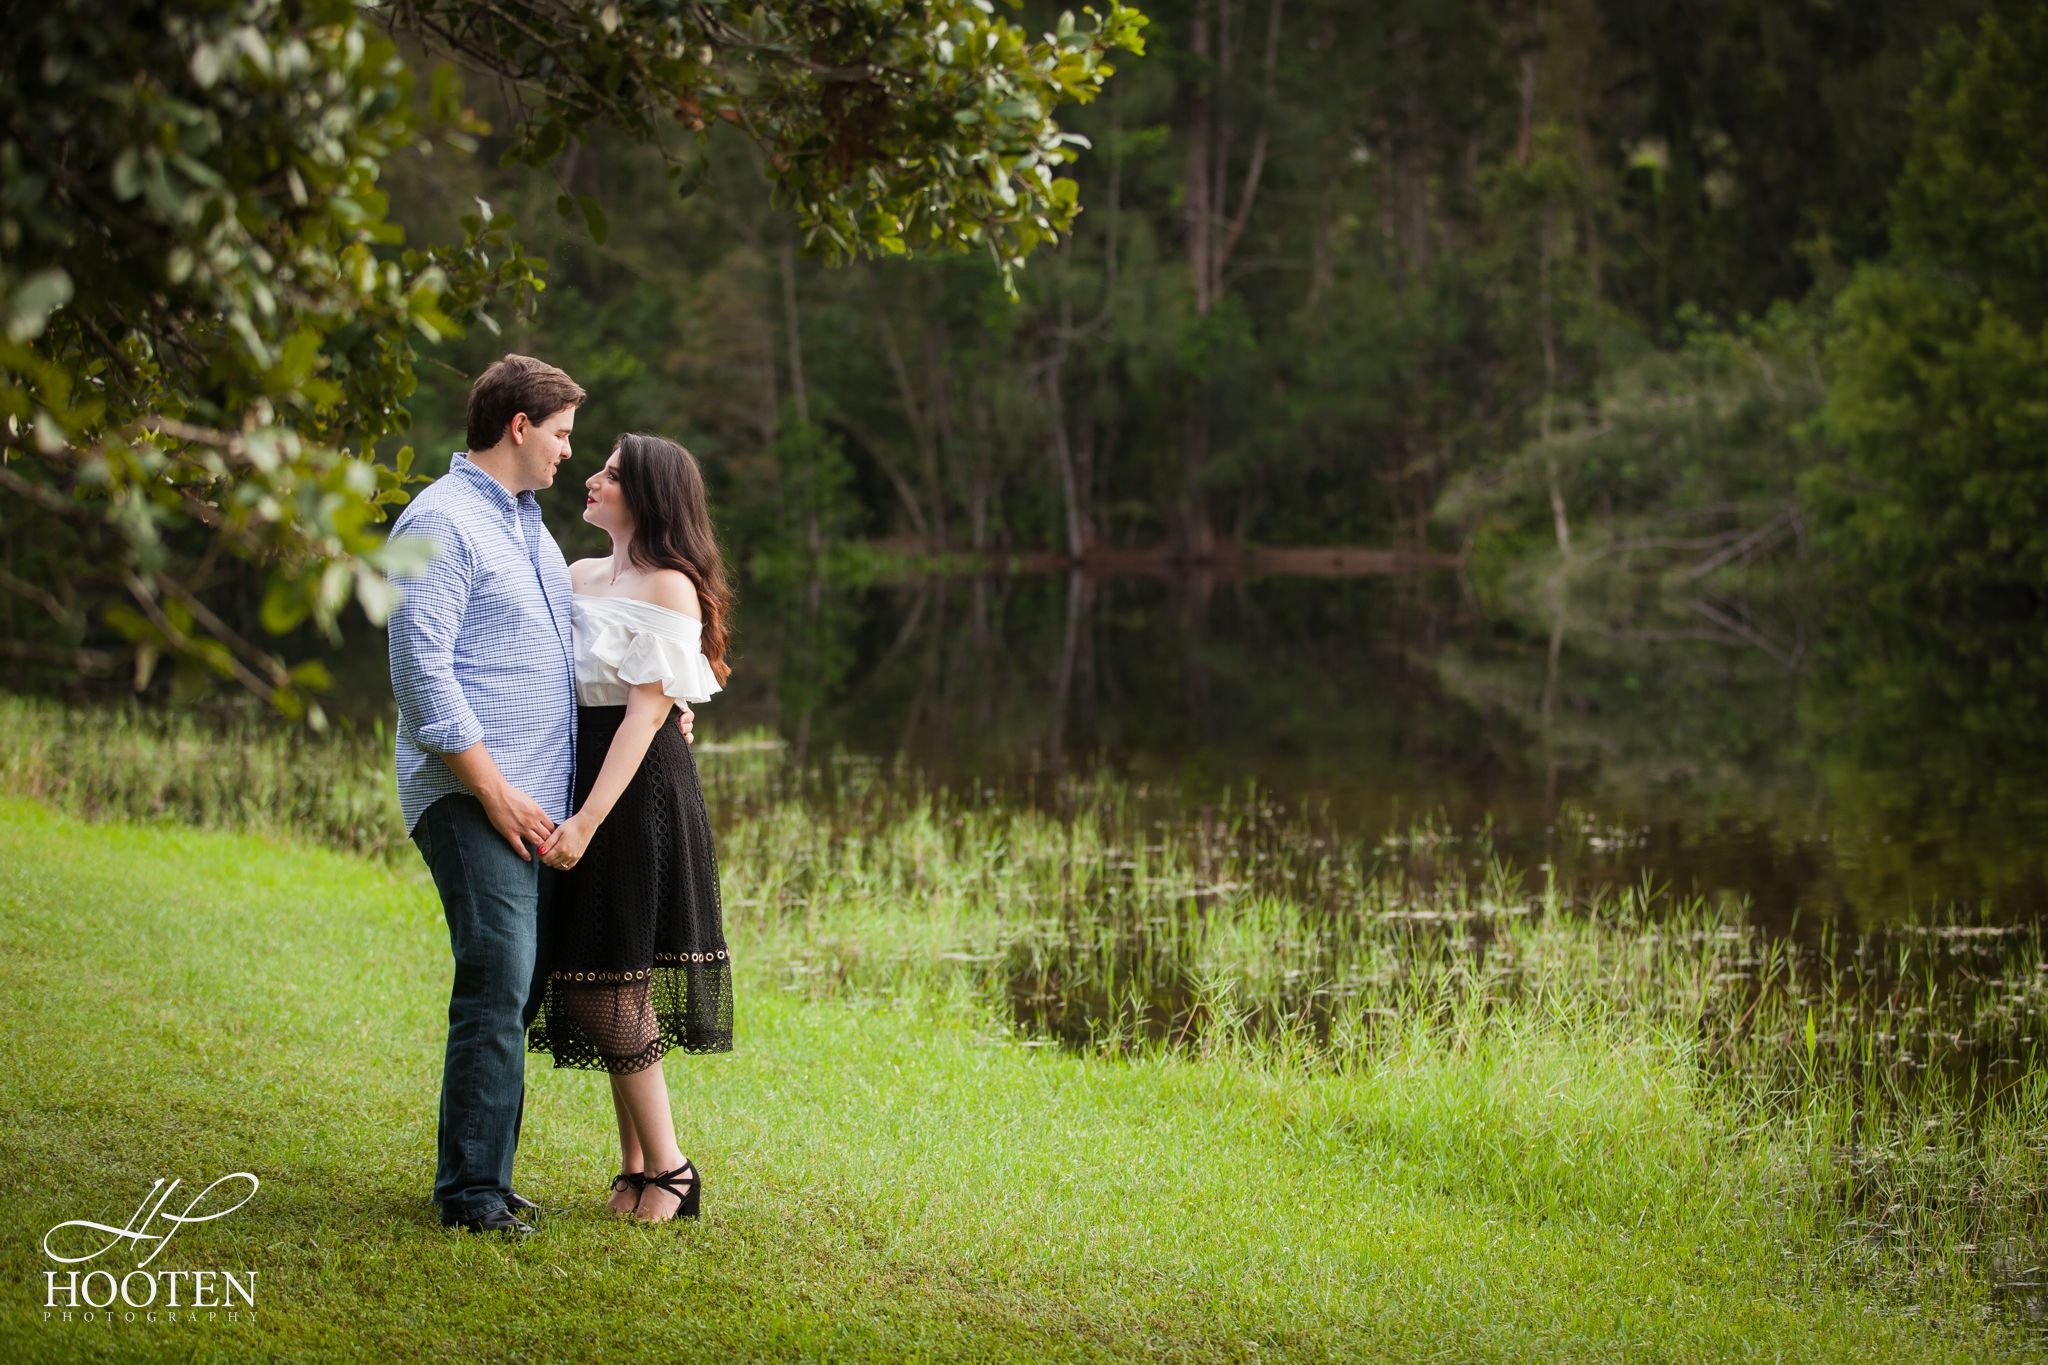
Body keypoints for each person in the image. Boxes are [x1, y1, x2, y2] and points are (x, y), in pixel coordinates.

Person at [387, 357, 693, 1236]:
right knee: (497, 976)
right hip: (472, 790)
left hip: (532, 801)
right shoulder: (440, 524)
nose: (571, 453)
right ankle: (470, 1195)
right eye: (562, 434)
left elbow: (591, 653)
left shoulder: (524, 527)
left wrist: (665, 709)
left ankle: (486, 1173)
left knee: (513, 988)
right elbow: (421, 673)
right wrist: (492, 791)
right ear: (520, 425)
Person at [531, 433, 735, 1223]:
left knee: (615, 983)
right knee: (597, 973)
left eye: (612, 474)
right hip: (579, 770)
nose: (592, 477)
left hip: (632, 786)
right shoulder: (575, 574)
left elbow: (648, 712)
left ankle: (674, 1170)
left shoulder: (671, 587)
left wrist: (586, 819)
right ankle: (637, 1164)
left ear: (649, 496)